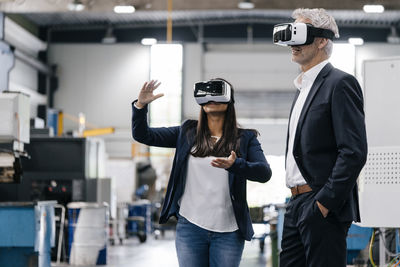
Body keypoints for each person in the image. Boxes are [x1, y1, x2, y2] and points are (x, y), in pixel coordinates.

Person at [131, 78, 272, 267]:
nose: (211, 98)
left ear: (229, 100)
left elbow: (264, 173)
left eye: (216, 92)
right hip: (190, 227)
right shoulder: (187, 132)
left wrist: (235, 164)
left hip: (229, 231)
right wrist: (140, 106)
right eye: (206, 94)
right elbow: (143, 135)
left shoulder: (245, 138)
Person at [276, 8, 368, 267]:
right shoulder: (303, 87)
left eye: (300, 34)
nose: (292, 44)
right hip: (295, 204)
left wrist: (324, 203)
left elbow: (353, 151)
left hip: (320, 204)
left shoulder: (340, 83)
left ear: (322, 40)